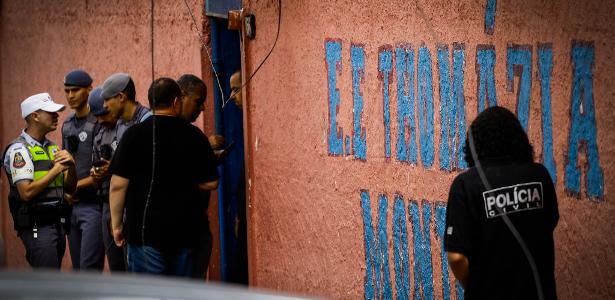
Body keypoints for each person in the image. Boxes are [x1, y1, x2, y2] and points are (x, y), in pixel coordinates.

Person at [445, 106, 559, 300]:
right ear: (518, 140)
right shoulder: (540, 175)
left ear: (475, 145)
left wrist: (478, 287)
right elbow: (549, 223)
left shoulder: (466, 185)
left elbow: (456, 257)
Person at [109, 77, 218, 277]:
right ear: (176, 101)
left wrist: (117, 225)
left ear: (150, 103)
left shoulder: (133, 135)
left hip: (144, 237)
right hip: (185, 235)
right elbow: (211, 182)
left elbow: (117, 184)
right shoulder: (195, 136)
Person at [2, 92, 77, 268]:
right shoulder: (19, 150)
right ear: (35, 116)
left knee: (53, 280)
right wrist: (57, 169)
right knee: (48, 282)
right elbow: (26, 193)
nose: (57, 116)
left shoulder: (52, 148)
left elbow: (70, 189)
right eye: (51, 112)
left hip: (57, 224)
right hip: (37, 227)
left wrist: (72, 166)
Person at [176, 74, 224, 279]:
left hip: (196, 228)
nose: (202, 108)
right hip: (179, 232)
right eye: (198, 101)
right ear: (180, 97)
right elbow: (210, 182)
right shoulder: (159, 134)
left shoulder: (195, 136)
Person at [61, 69, 104, 270]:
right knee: (78, 270)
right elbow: (64, 164)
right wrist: (65, 191)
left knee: (89, 267)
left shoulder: (98, 122)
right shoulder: (67, 124)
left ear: (89, 89)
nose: (70, 96)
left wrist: (73, 188)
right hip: (72, 206)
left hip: (94, 204)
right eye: (67, 91)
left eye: (75, 90)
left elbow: (102, 170)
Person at [89, 87, 125, 271]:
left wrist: (110, 167)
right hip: (105, 204)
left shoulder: (127, 128)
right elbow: (96, 176)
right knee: (116, 265)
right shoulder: (99, 135)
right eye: (96, 116)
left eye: (103, 114)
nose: (100, 120)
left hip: (126, 204)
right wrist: (96, 175)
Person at [101, 73, 151, 141]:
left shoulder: (147, 120)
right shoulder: (119, 123)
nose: (104, 106)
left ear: (121, 97)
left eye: (107, 99)